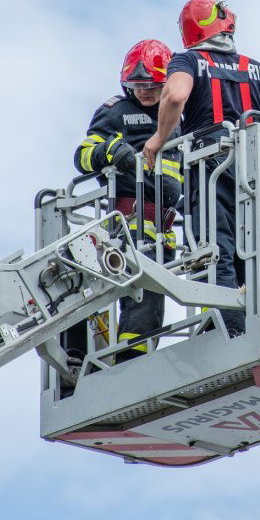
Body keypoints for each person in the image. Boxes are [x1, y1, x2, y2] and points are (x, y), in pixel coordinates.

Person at [143, 0, 260, 337]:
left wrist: (159, 138)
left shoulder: (187, 60)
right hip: (252, 169)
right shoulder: (259, 70)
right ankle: (257, 326)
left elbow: (174, 97)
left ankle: (226, 330)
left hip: (208, 163)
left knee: (212, 247)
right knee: (253, 248)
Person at [71, 39, 183, 363]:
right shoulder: (115, 111)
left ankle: (136, 357)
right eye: (137, 85)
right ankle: (123, 359)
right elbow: (82, 155)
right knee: (139, 289)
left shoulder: (179, 117)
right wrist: (111, 152)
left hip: (164, 227)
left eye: (151, 84)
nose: (144, 91)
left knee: (152, 299)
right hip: (126, 221)